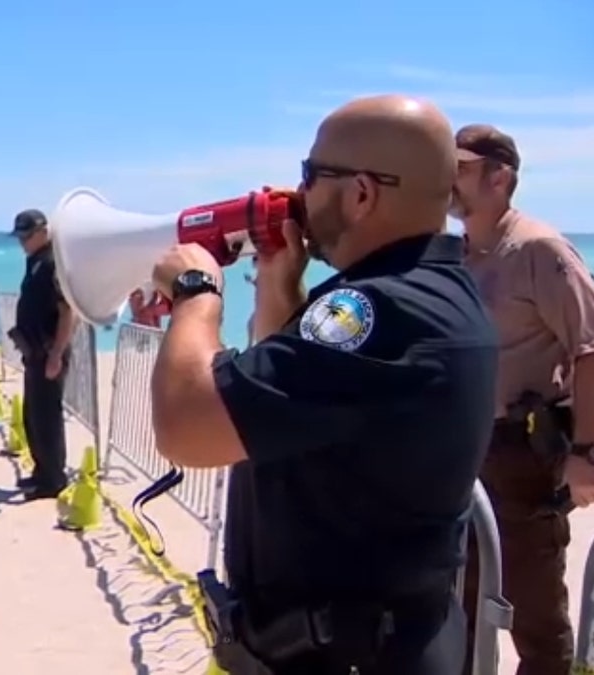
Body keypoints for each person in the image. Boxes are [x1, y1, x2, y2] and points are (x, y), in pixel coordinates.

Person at [146, 95, 496, 674]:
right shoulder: (427, 293)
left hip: (346, 656)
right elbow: (293, 397)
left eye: (311, 174)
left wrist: (193, 290)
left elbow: (186, 426)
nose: (300, 193)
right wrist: (281, 287)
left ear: (362, 193)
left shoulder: (382, 313)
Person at [453, 123, 594, 675]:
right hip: (465, 450)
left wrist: (586, 453)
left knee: (534, 608)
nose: (449, 182)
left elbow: (589, 349)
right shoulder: (459, 254)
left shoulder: (539, 249)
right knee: (458, 598)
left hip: (523, 454)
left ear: (499, 177)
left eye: (461, 170)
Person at [8, 209, 76, 499]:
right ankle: (41, 471)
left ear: (42, 232)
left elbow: (67, 312)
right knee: (32, 414)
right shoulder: (34, 261)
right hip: (33, 350)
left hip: (49, 350)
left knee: (47, 416)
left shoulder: (53, 263)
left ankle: (53, 479)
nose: (22, 242)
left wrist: (56, 353)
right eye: (19, 237)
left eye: (26, 236)